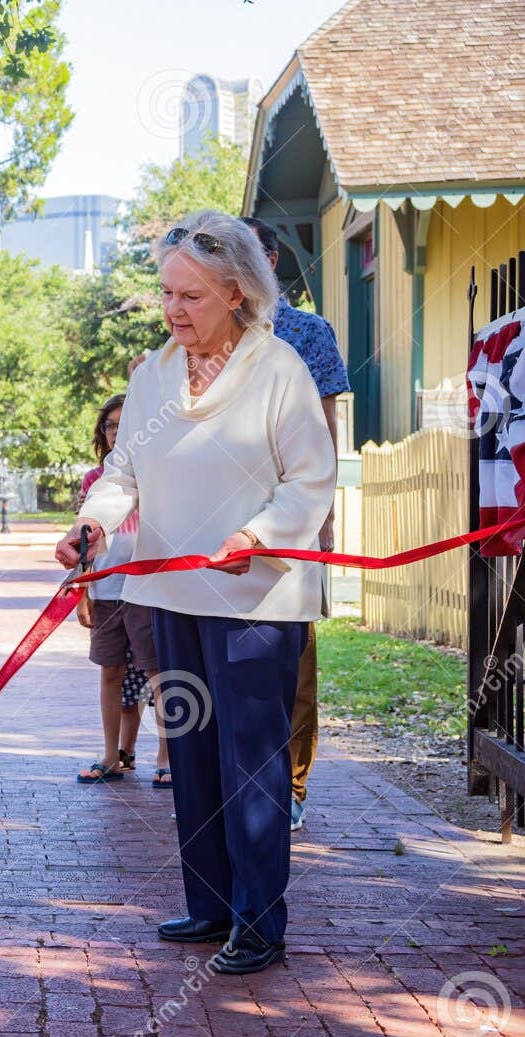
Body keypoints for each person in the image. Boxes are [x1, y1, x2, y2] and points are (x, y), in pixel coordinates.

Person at [60, 209, 336, 975]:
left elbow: (312, 478)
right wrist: (91, 527)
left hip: (255, 597)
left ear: (239, 293)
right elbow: (122, 475)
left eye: (193, 296)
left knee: (254, 760)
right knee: (193, 749)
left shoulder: (278, 370)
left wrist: (254, 535)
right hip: (172, 592)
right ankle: (211, 901)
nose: (175, 310)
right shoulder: (152, 375)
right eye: (167, 293)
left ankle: (260, 919)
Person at [241, 216, 348, 832]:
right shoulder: (207, 331)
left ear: (272, 261)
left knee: (295, 658)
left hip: (294, 516)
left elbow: (327, 431)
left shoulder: (310, 333)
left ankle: (294, 786)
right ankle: (238, 783)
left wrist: (324, 516)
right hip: (221, 518)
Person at [74, 394, 170, 788]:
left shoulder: (159, 473)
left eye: (122, 424)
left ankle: (167, 757)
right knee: (110, 670)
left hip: (147, 587)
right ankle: (112, 754)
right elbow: (85, 541)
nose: (116, 432)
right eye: (109, 426)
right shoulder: (94, 481)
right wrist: (83, 593)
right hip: (106, 587)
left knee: (158, 672)